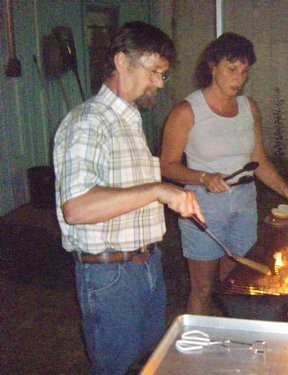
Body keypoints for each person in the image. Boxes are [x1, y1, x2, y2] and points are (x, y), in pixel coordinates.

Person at [53, 21, 204, 375]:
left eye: (163, 74)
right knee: (115, 368)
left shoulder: (129, 119)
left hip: (146, 265)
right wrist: (158, 189)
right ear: (122, 62)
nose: (160, 83)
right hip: (110, 276)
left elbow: (126, 196)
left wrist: (172, 197)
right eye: (154, 72)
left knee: (149, 363)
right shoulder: (89, 123)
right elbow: (77, 207)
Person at [160, 32, 288, 315]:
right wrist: (204, 177)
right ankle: (196, 349)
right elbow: (167, 165)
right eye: (232, 69)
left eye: (244, 71)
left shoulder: (248, 108)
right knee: (204, 288)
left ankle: (234, 342)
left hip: (244, 202)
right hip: (204, 203)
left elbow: (259, 160)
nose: (238, 78)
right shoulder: (187, 111)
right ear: (213, 66)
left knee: (237, 284)